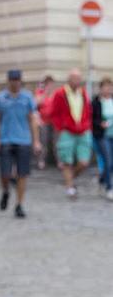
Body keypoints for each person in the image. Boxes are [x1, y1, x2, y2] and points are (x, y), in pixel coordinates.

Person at [0, 70, 41, 218]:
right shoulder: (0, 98)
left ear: (20, 81)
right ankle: (6, 190)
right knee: (5, 173)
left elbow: (32, 119)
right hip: (6, 139)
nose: (15, 82)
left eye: (17, 80)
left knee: (22, 174)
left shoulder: (27, 97)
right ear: (9, 81)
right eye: (13, 80)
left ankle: (19, 204)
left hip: (23, 139)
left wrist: (36, 141)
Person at [48, 68, 93, 199]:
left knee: (84, 162)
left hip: (83, 130)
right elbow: (53, 113)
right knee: (66, 161)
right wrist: (60, 127)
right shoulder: (61, 93)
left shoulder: (83, 93)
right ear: (69, 80)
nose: (77, 81)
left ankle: (70, 179)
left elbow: (88, 110)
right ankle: (70, 187)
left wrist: (87, 124)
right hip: (67, 131)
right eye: (75, 78)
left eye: (79, 78)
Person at [91, 77, 113, 201]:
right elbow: (92, 119)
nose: (108, 89)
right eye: (105, 87)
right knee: (108, 160)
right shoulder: (96, 102)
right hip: (102, 135)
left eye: (110, 87)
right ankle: (109, 188)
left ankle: (101, 180)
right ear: (101, 88)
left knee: (111, 164)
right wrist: (100, 123)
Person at [34, 74, 56, 169]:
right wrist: (45, 92)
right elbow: (36, 103)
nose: (51, 86)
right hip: (44, 121)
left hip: (54, 122)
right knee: (43, 142)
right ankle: (41, 160)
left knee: (56, 142)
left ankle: (59, 161)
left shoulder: (55, 93)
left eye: (52, 84)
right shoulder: (40, 92)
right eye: (49, 84)